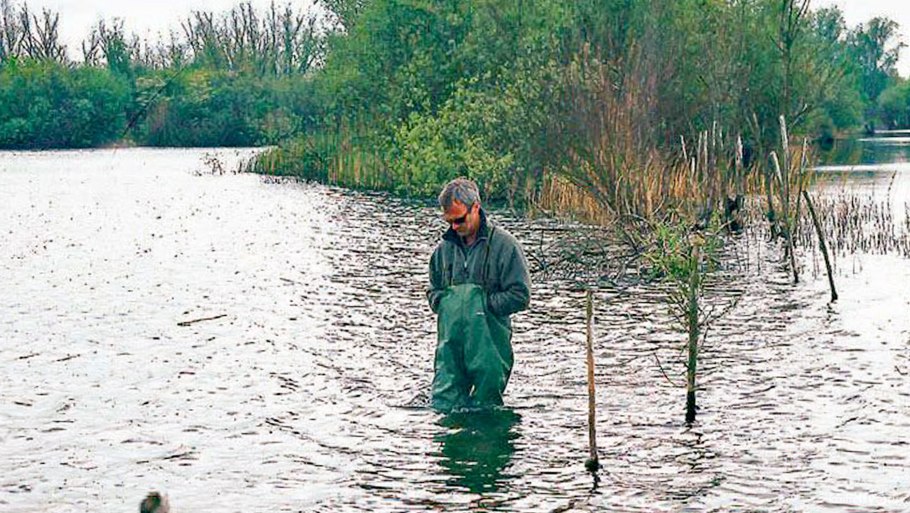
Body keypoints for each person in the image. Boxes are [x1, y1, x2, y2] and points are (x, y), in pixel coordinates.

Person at [427, 177, 531, 412]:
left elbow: (521, 294)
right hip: (449, 353)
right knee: (442, 409)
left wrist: (484, 304)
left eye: (459, 219)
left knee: (487, 414)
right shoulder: (442, 251)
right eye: (449, 221)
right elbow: (433, 290)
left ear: (476, 207)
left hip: (490, 351)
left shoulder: (505, 246)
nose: (454, 227)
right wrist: (441, 302)